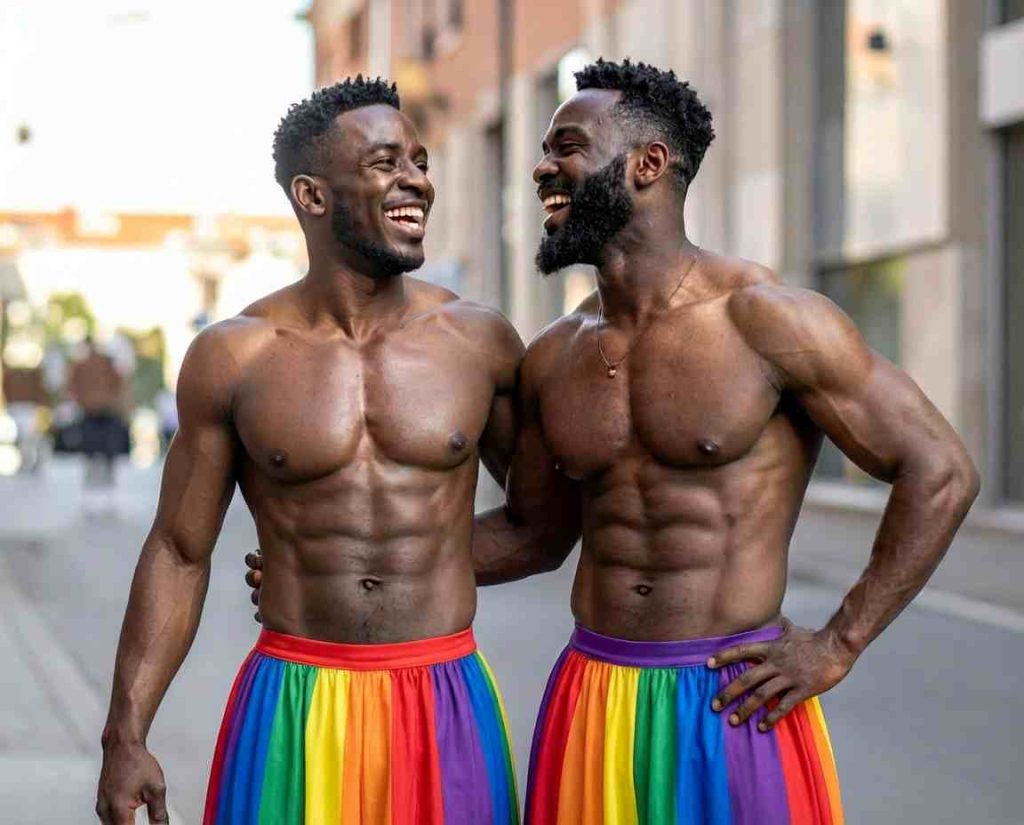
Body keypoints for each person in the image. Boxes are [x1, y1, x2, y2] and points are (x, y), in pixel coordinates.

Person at [243, 60, 980, 822]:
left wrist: (838, 642)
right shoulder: (556, 355)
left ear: (647, 164)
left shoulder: (768, 320)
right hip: (593, 691)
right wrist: (340, 565)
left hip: (734, 697)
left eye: (565, 145)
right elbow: (536, 533)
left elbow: (941, 469)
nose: (541, 168)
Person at [96, 77, 525, 825]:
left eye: (420, 161)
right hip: (294, 698)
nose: (417, 181)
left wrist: (406, 563)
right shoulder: (235, 355)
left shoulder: (478, 341)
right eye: (387, 162)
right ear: (313, 195)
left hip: (444, 693)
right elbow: (177, 549)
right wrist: (124, 732)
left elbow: (546, 520)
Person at [69, 336, 128, 495]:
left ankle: (98, 475)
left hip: (97, 408)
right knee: (99, 443)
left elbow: (73, 387)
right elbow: (119, 382)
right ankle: (102, 475)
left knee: (96, 443)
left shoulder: (87, 364)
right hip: (99, 408)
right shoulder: (98, 363)